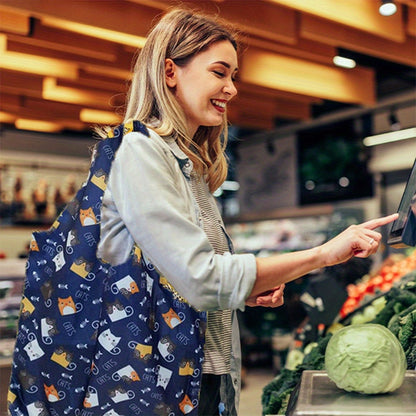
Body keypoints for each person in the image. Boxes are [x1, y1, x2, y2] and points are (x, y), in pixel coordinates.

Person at [96, 7, 398, 416]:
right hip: (162, 385)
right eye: (219, 73)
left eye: (233, 76)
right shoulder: (141, 153)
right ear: (170, 72)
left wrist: (241, 293)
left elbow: (179, 278)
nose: (232, 88)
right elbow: (202, 279)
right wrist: (323, 254)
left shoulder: (188, 167)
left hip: (198, 376)